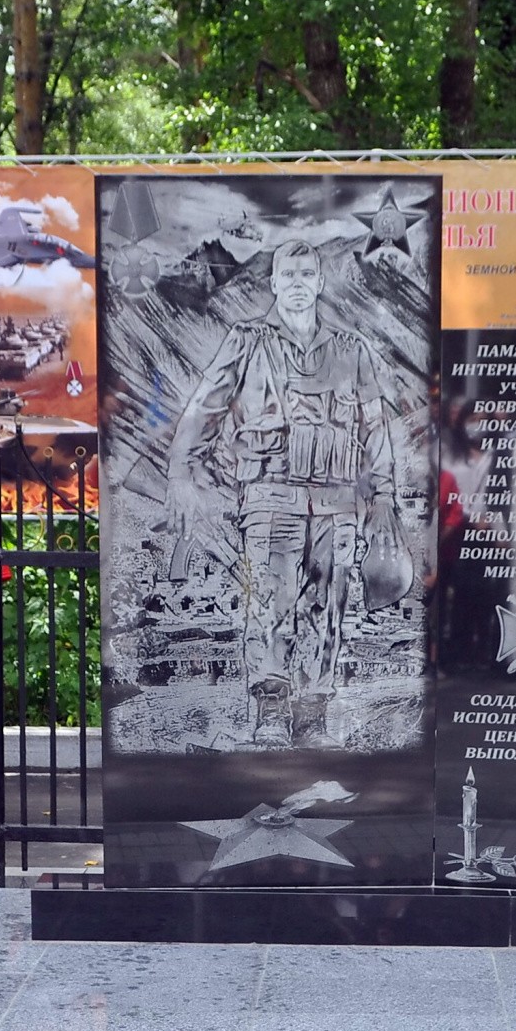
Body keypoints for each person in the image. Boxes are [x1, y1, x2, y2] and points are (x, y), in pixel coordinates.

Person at [162, 239, 402, 746]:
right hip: (271, 496)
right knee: (270, 602)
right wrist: (180, 472)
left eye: (305, 275)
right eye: (286, 275)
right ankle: (270, 708)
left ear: (319, 282)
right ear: (273, 283)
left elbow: (375, 424)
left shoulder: (350, 349)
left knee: (326, 604)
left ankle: (312, 712)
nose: (296, 284)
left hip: (337, 500)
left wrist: (382, 495)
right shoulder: (248, 341)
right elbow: (206, 406)